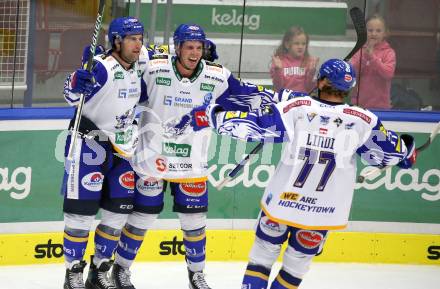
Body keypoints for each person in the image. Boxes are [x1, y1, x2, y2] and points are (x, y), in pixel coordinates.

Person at [200, 58, 417, 289]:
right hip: (322, 213)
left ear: (321, 82)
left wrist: (215, 114)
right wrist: (408, 152)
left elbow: (255, 126)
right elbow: (388, 154)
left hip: (283, 204)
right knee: (294, 270)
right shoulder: (364, 120)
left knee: (261, 260)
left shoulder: (297, 107)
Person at [110, 23, 276, 289]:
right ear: (177, 47)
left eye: (199, 48)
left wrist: (279, 103)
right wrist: (101, 60)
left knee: (195, 222)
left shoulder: (218, 76)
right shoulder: (155, 68)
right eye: (189, 47)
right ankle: (121, 269)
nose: (194, 53)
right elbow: (124, 82)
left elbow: (248, 95)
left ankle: (196, 276)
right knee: (143, 217)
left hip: (192, 163)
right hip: (152, 159)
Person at [61, 17, 152, 289]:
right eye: (132, 39)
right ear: (116, 41)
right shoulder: (101, 67)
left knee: (118, 213)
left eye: (140, 38)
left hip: (123, 149)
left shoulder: (140, 63)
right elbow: (71, 96)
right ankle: (73, 273)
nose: (138, 44)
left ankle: (100, 269)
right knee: (81, 214)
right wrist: (77, 80)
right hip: (89, 144)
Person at [350, 14, 396, 109]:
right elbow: (352, 74)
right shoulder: (359, 51)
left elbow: (388, 74)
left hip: (381, 106)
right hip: (359, 106)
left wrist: (372, 58)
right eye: (370, 30)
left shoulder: (389, 52)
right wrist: (364, 58)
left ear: (385, 33)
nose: (374, 34)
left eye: (378, 31)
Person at [270, 26, 319, 93]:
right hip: (284, 100)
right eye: (296, 43)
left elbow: (309, 88)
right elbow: (278, 88)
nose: (300, 47)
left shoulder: (309, 62)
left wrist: (311, 72)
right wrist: (278, 70)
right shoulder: (279, 62)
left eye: (303, 44)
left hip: (302, 100)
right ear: (287, 45)